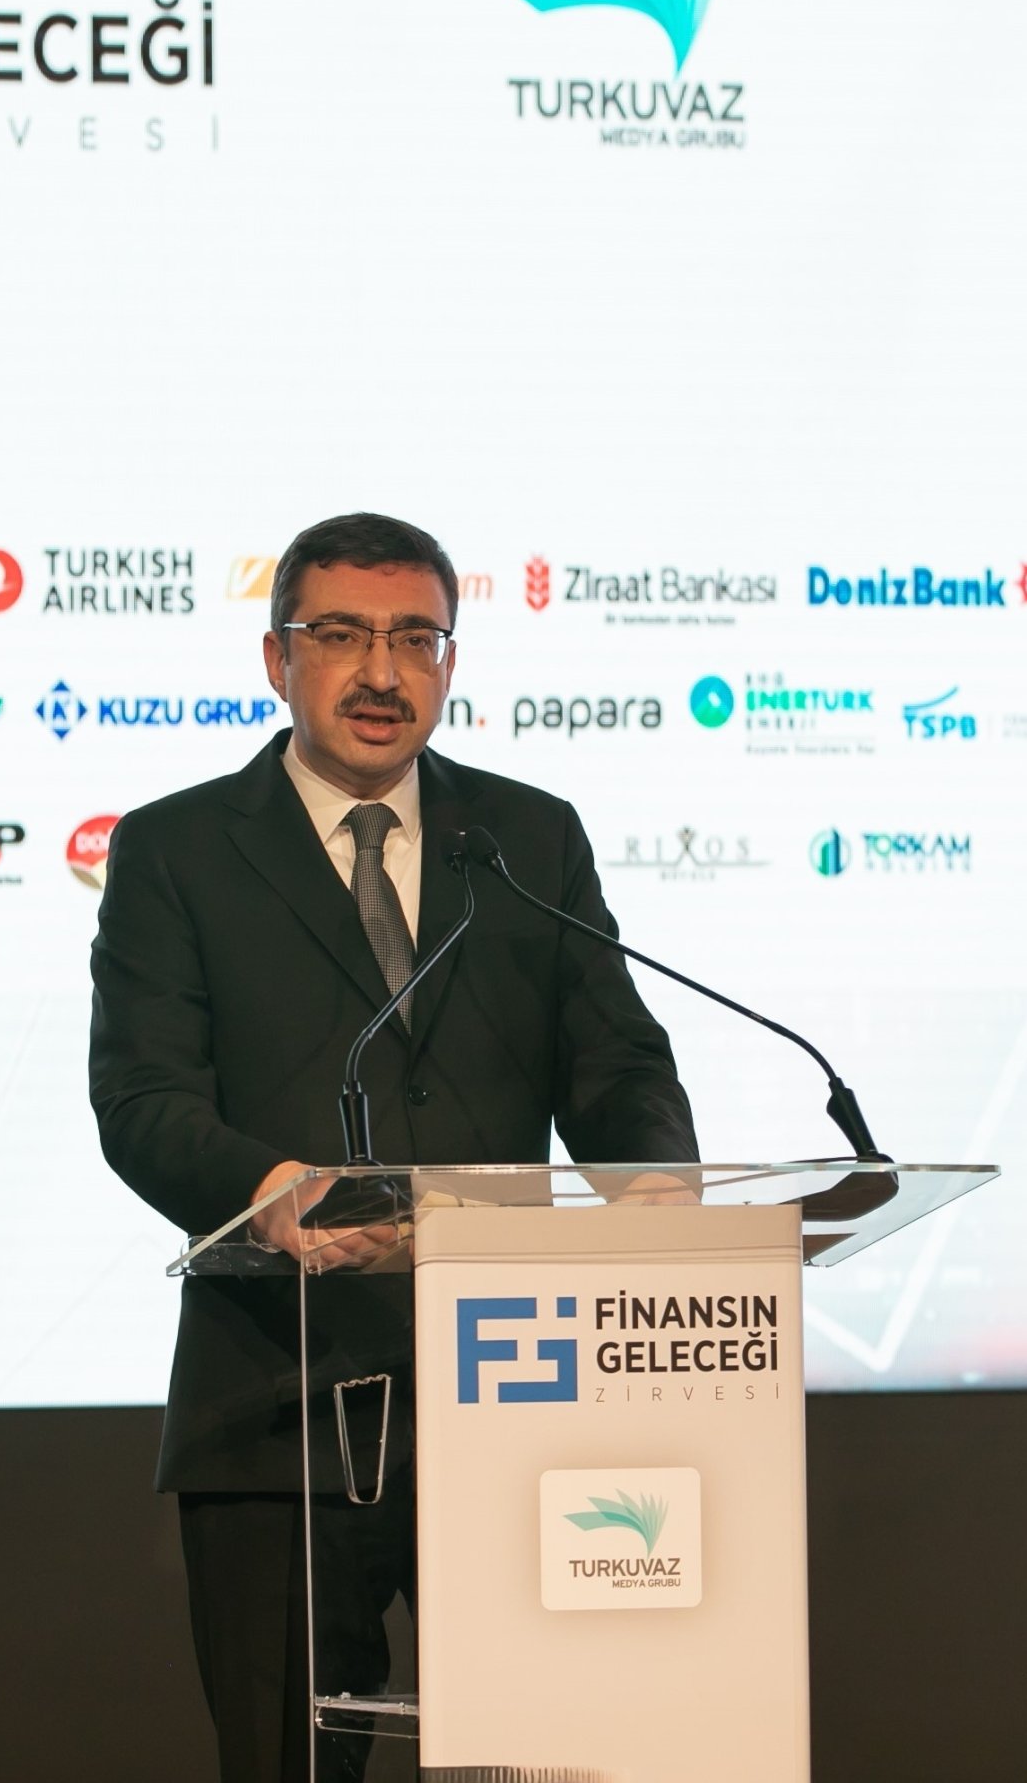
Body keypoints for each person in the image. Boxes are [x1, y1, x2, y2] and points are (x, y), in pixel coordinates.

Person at [89, 511, 699, 1783]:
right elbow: (144, 1099)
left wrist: (662, 1202)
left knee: (555, 1758)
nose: (382, 671)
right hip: (283, 1405)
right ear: (276, 658)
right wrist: (268, 1190)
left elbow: (617, 1066)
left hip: (520, 1394)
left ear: (450, 662)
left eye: (416, 637)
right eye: (343, 636)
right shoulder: (179, 849)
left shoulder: (525, 841)